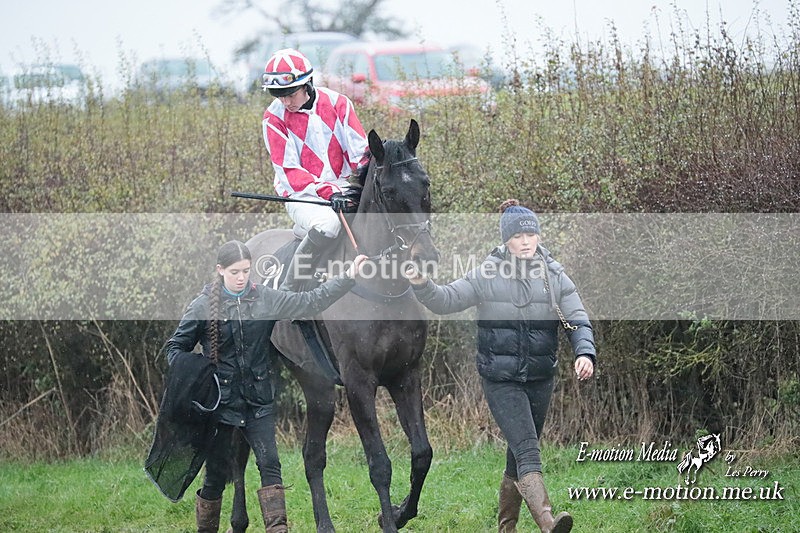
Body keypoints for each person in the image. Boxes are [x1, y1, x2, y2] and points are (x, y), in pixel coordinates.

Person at [405, 200, 595, 533]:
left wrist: (584, 353)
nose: (525, 241)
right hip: (501, 378)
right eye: (518, 235)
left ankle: (506, 527)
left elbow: (577, 318)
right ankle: (549, 523)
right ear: (506, 240)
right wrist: (422, 285)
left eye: (530, 234)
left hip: (540, 376)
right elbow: (447, 299)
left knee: (515, 455)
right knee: (527, 447)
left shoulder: (553, 274)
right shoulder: (487, 273)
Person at [166, 240, 367, 532]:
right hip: (219, 406)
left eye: (246, 271)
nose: (241, 277)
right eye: (235, 272)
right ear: (220, 271)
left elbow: (311, 300)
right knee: (215, 479)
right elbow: (175, 348)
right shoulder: (202, 306)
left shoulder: (266, 299)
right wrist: (196, 376)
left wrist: (348, 276)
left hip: (258, 403)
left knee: (270, 465)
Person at [261, 48, 368, 291]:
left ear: (307, 84)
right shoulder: (273, 118)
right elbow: (289, 173)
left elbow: (360, 155)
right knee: (328, 225)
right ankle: (289, 292)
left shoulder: (339, 104)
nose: (286, 102)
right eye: (279, 96)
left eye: (290, 94)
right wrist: (330, 192)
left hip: (341, 189)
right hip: (302, 196)